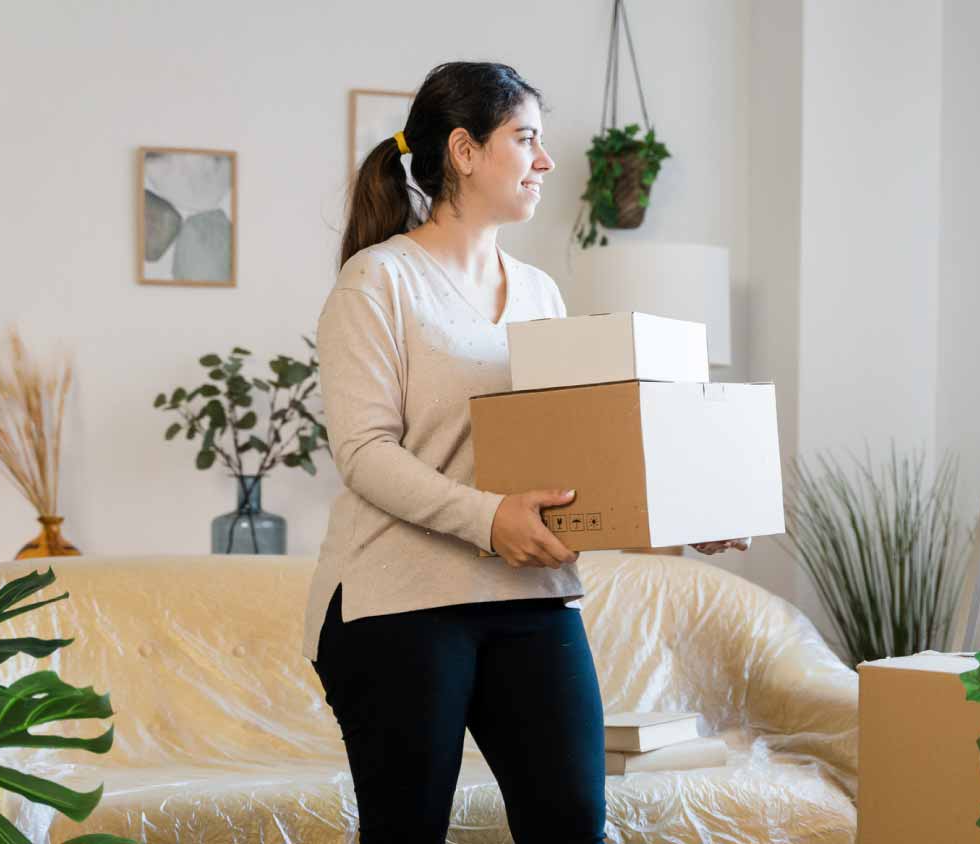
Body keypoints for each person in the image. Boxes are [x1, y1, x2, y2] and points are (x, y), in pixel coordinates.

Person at [300, 61, 750, 843]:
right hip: (397, 603)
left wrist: (680, 513)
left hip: (530, 595)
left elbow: (574, 454)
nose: (545, 162)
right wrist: (487, 517)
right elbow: (364, 451)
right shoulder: (377, 283)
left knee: (573, 822)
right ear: (466, 151)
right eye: (527, 139)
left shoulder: (541, 291)